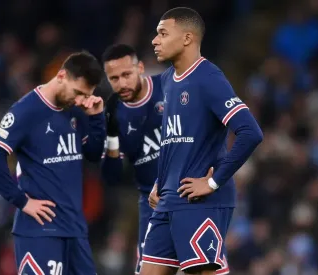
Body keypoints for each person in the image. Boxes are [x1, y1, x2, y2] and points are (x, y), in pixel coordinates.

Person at [141, 7, 264, 275]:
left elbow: (250, 132)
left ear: (187, 38)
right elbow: (176, 140)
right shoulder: (167, 81)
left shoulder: (208, 78)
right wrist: (160, 181)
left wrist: (213, 181)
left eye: (163, 33)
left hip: (199, 201)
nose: (154, 40)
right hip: (168, 198)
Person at [0, 51, 105, 275]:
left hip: (75, 229)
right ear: (61, 76)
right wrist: (21, 201)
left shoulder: (76, 109)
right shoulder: (27, 110)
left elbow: (93, 154)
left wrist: (96, 118)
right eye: (77, 92)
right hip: (40, 231)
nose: (79, 100)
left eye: (85, 95)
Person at [100, 44, 163, 274]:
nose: (122, 83)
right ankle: (115, 252)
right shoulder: (114, 114)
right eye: (114, 78)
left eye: (126, 74)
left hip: (183, 192)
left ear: (141, 69)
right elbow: (111, 175)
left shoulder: (169, 90)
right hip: (146, 197)